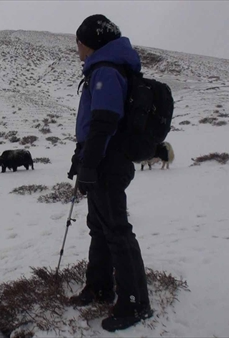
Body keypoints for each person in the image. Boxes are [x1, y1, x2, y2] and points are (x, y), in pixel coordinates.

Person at [66, 14, 153, 332]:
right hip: (102, 158)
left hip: (109, 161)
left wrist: (89, 163)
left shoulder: (105, 69)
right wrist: (82, 156)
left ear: (88, 43)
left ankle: (136, 303)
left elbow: (104, 120)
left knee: (116, 230)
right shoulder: (104, 68)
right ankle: (100, 286)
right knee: (99, 227)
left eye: (78, 41)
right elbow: (94, 125)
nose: (76, 48)